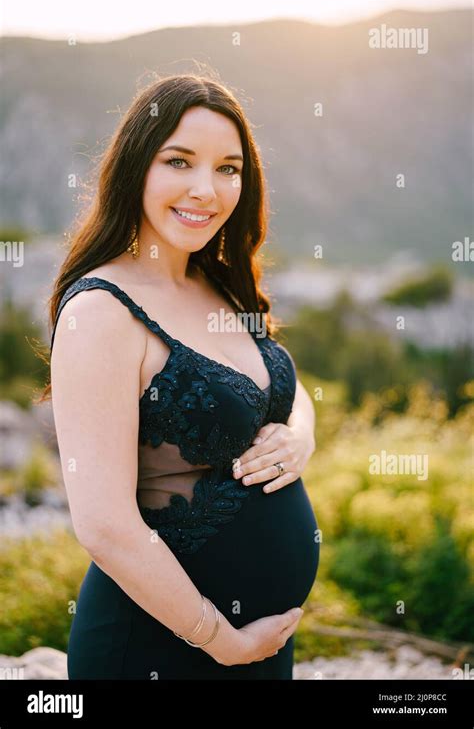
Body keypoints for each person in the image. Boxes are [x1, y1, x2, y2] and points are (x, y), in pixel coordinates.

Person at [45, 73, 320, 679]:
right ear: (135, 167)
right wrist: (217, 638)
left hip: (262, 645)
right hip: (162, 648)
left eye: (229, 168)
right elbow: (104, 526)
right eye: (179, 161)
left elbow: (284, 388)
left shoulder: (218, 282)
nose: (207, 189)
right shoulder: (101, 312)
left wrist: (301, 434)